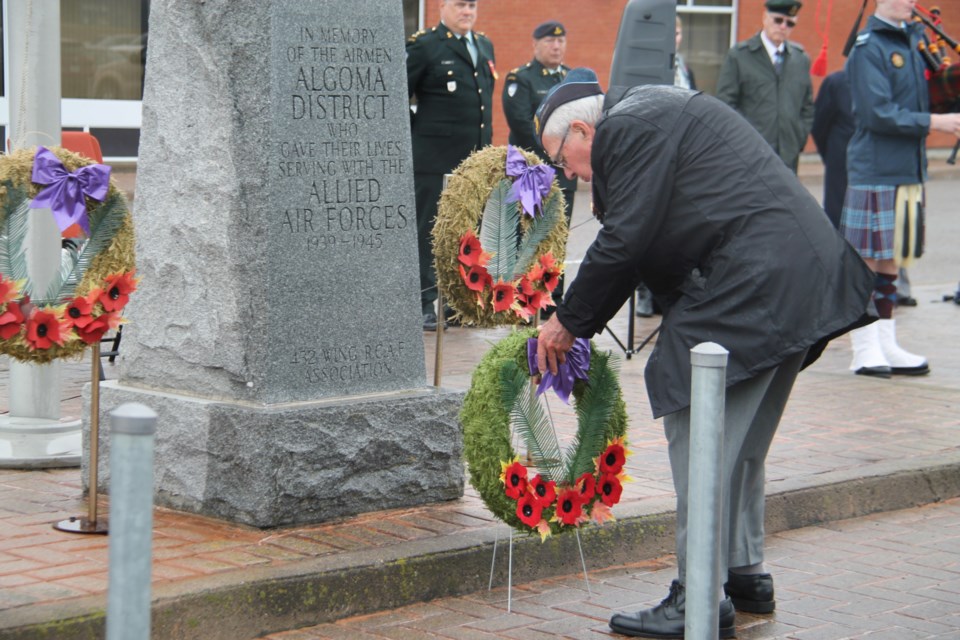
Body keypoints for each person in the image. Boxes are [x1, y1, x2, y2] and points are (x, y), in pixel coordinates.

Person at [533, 68, 874, 638]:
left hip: (758, 280)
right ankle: (745, 574)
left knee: (697, 418)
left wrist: (568, 323)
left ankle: (697, 596)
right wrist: (578, 320)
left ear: (583, 132)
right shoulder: (645, 116)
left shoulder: (625, 129)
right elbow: (641, 246)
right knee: (739, 440)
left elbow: (624, 241)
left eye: (561, 156)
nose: (566, 173)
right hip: (796, 273)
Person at [840, 0, 960, 378]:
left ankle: (886, 341)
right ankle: (862, 348)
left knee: (891, 257)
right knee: (867, 260)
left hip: (907, 168)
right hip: (875, 166)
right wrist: (936, 122)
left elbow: (929, 92)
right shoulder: (868, 47)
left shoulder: (912, 41)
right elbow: (877, 113)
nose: (912, 1)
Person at [406, 0, 496, 331]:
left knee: (466, 234)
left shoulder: (484, 44)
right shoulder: (426, 46)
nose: (467, 11)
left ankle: (460, 304)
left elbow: (484, 104)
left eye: (472, 5)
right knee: (428, 231)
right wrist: (418, 138)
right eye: (460, 4)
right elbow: (397, 96)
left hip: (472, 162)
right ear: (443, 5)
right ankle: (421, 302)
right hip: (433, 159)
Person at [812, 69, 917, 303]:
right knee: (843, 228)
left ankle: (893, 288)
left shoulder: (892, 81)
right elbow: (820, 125)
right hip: (844, 165)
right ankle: (842, 289)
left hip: (885, 165)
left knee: (888, 231)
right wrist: (833, 157)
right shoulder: (837, 82)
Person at [502, 21, 576, 312]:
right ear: (535, 45)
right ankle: (526, 298)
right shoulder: (521, 79)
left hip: (563, 172)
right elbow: (521, 124)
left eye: (560, 41)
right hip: (532, 171)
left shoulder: (571, 79)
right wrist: (556, 150)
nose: (556, 46)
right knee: (530, 235)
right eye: (549, 41)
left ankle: (553, 296)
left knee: (558, 235)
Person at [635, 14, 698, 319]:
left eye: (677, 33)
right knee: (649, 226)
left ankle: (667, 292)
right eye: (668, 32)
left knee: (677, 228)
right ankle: (645, 292)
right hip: (653, 158)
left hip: (682, 159)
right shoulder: (644, 67)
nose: (673, 38)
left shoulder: (685, 69)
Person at [716, 0, 814, 173]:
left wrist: (798, 137)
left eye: (790, 23)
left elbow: (806, 105)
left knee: (785, 200)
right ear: (765, 18)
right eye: (778, 20)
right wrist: (743, 140)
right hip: (749, 155)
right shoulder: (740, 56)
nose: (783, 27)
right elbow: (725, 104)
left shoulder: (800, 59)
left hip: (787, 156)